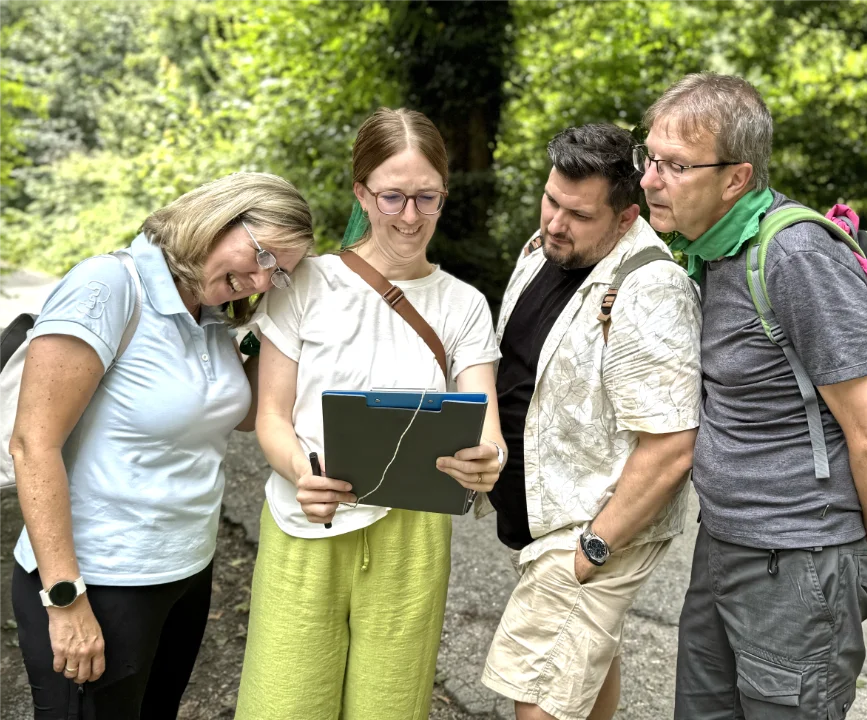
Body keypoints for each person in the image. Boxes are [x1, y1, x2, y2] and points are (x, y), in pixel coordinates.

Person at [636, 74, 867, 720]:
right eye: (648, 158)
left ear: (736, 178)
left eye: (675, 165)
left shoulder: (794, 258)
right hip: (725, 547)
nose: (649, 179)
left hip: (800, 562)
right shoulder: (707, 249)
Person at [9, 172, 314, 718]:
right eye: (264, 255)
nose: (265, 280)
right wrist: (65, 597)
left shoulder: (211, 310)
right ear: (218, 216)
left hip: (184, 571)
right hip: (100, 580)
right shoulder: (108, 286)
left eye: (281, 274)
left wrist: (276, 332)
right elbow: (33, 444)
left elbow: (240, 414)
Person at [235, 107, 505, 720]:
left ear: (444, 195)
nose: (409, 217)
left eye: (426, 198)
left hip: (412, 537)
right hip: (309, 521)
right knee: (284, 703)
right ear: (361, 192)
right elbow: (272, 417)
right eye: (391, 197)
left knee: (388, 707)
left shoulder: (463, 304)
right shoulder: (305, 284)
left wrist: (489, 460)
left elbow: (484, 419)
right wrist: (303, 471)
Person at [480, 123, 703, 720]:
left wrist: (593, 548)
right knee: (581, 665)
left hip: (589, 527)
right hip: (541, 518)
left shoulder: (652, 287)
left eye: (578, 214)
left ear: (627, 217)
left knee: (539, 700)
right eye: (551, 200)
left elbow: (674, 444)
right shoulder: (542, 250)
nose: (555, 222)